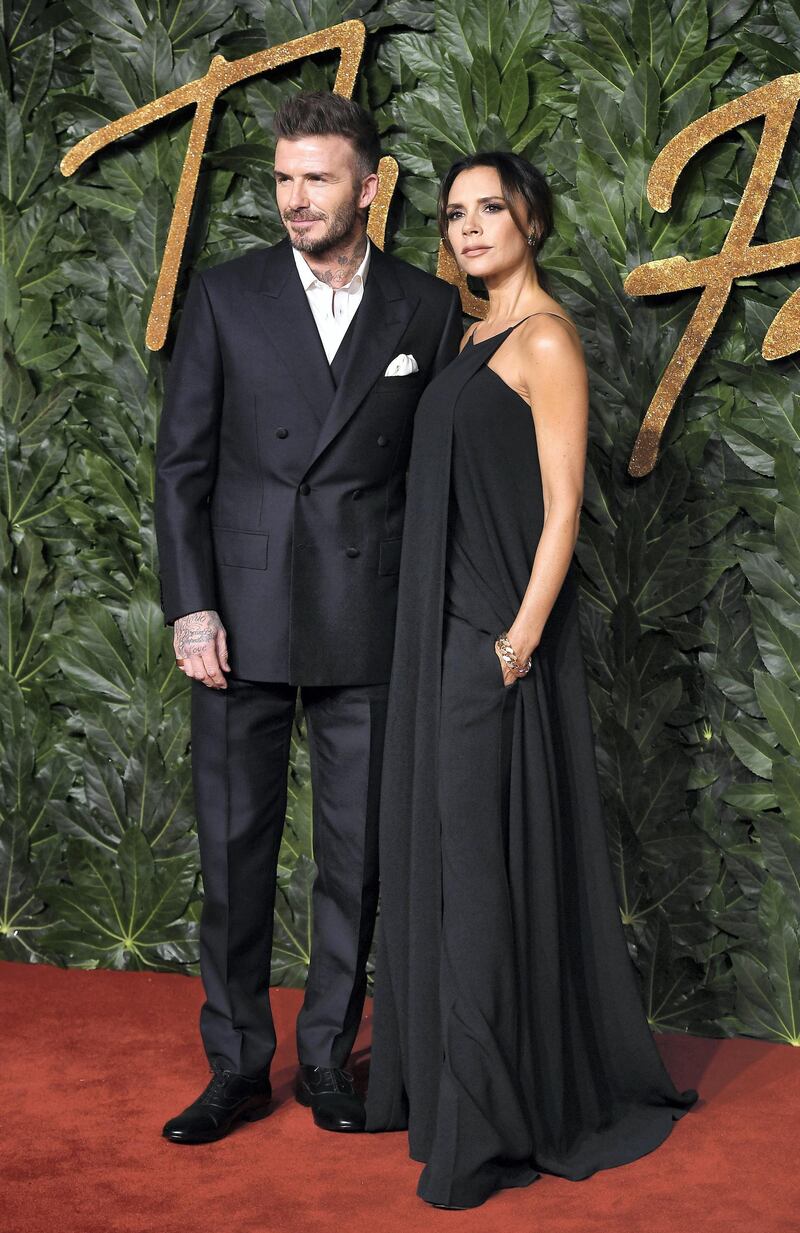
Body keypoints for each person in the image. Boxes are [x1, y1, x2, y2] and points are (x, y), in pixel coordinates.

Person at [364, 152, 699, 1208]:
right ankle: (466, 1091)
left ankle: (487, 1122)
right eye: (453, 214)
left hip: (485, 649)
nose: (467, 229)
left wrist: (509, 649)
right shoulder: (467, 336)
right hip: (441, 645)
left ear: (531, 221)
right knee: (453, 870)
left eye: (488, 210)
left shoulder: (544, 339)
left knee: (475, 886)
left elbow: (562, 514)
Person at [154, 91, 462, 1144]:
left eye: (317, 178)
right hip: (236, 618)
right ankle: (236, 1065)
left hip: (364, 616)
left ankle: (327, 1055)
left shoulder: (424, 308)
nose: (295, 198)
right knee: (233, 856)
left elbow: (430, 476)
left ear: (369, 187)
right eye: (283, 179)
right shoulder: (227, 295)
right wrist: (190, 605)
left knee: (356, 857)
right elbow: (181, 463)